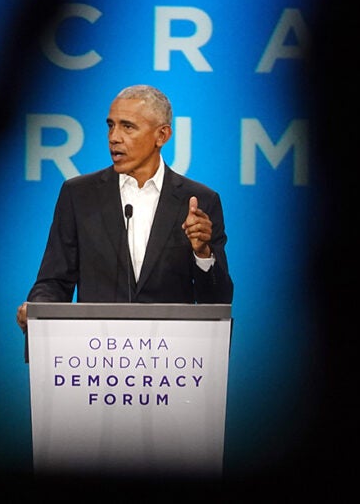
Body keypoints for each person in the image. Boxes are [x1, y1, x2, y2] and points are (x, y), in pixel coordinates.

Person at [15, 84, 234, 352]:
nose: (114, 137)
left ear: (161, 135)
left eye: (127, 127)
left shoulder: (199, 201)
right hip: (94, 358)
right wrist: (38, 312)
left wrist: (202, 253)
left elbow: (218, 300)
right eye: (111, 126)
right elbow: (54, 281)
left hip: (172, 362)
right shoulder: (79, 194)